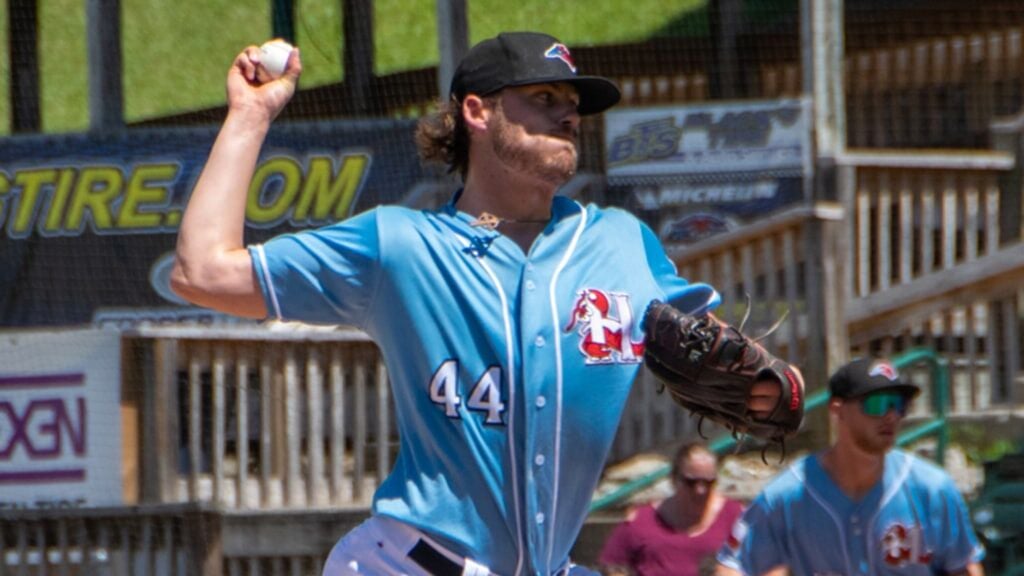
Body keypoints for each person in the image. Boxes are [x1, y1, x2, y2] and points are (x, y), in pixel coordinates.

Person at [170, 30, 791, 576]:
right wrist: (249, 116)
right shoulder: (402, 246)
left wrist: (773, 388)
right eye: (544, 100)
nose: (568, 116)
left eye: (573, 106)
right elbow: (201, 272)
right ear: (477, 111)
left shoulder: (620, 243)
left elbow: (748, 373)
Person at [716, 357, 986, 576]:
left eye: (899, 405)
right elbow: (731, 565)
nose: (891, 416)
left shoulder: (932, 488)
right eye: (877, 404)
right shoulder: (789, 495)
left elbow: (963, 566)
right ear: (838, 410)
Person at [599, 443, 743, 576]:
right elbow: (612, 565)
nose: (701, 490)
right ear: (674, 479)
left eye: (708, 482)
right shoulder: (641, 521)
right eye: (691, 482)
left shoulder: (735, 517)